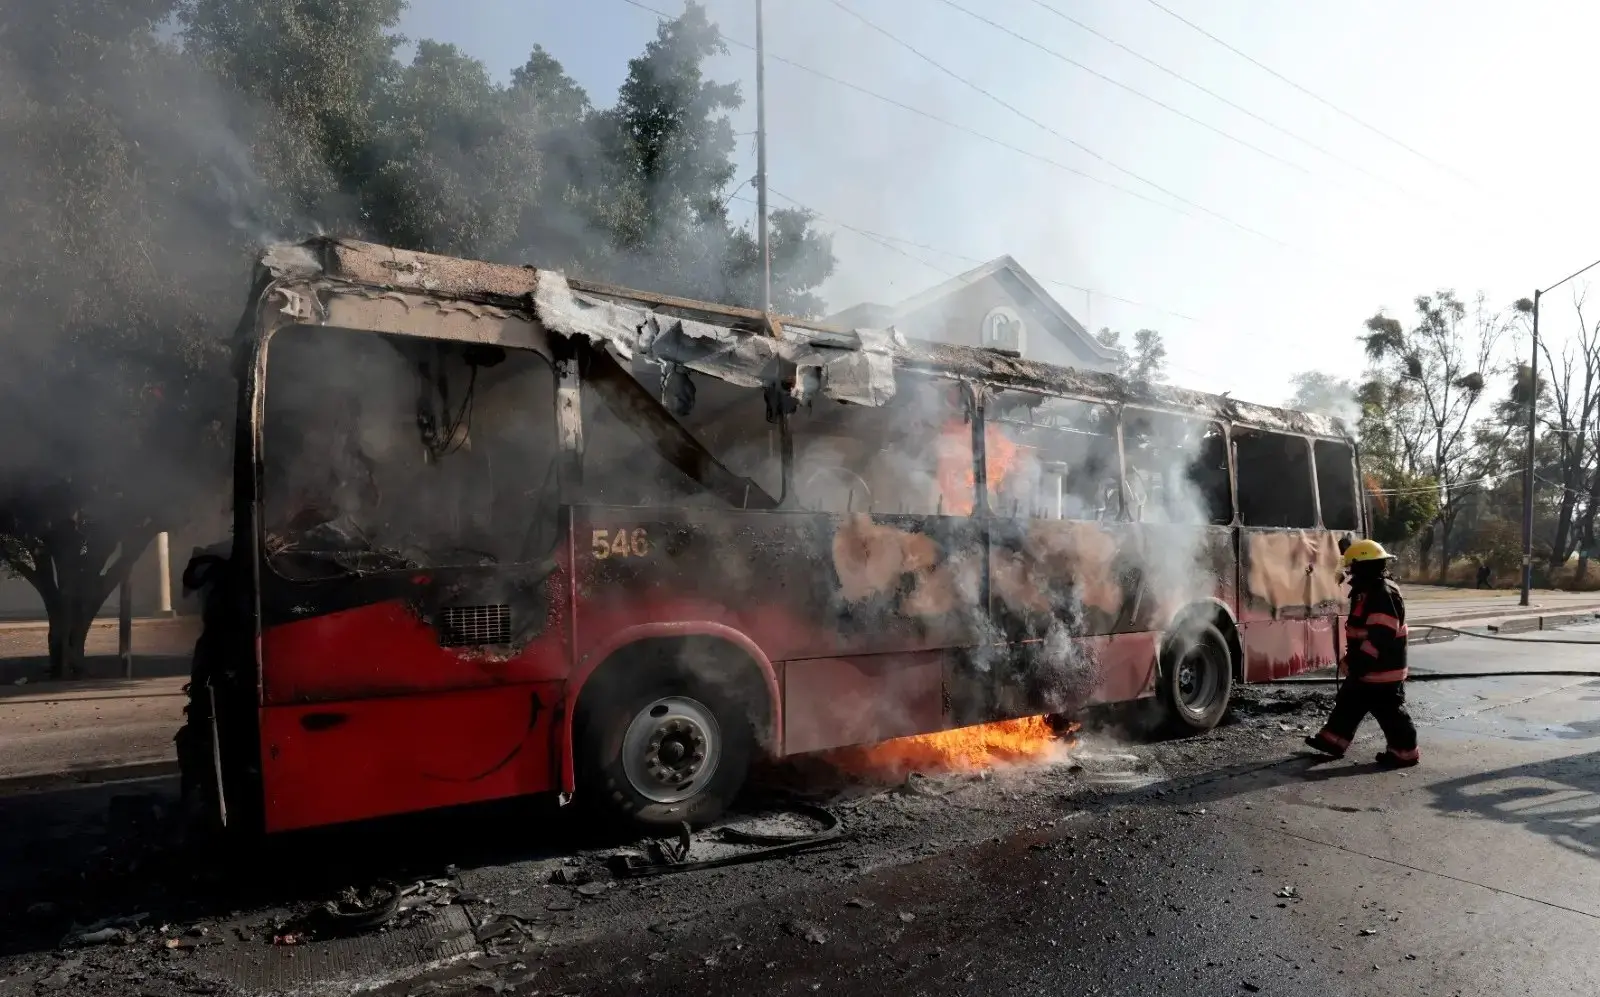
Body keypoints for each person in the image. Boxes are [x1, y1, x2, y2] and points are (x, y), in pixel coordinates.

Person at [1303, 539, 1420, 769]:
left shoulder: (1382, 593)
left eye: (1353, 566)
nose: (1349, 571)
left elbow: (1381, 635)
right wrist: (1353, 659)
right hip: (1369, 666)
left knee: (1390, 712)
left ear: (1363, 566)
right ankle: (1333, 741)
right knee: (1349, 702)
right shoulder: (1368, 590)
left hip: (1382, 668)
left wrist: (1360, 661)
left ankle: (1405, 754)